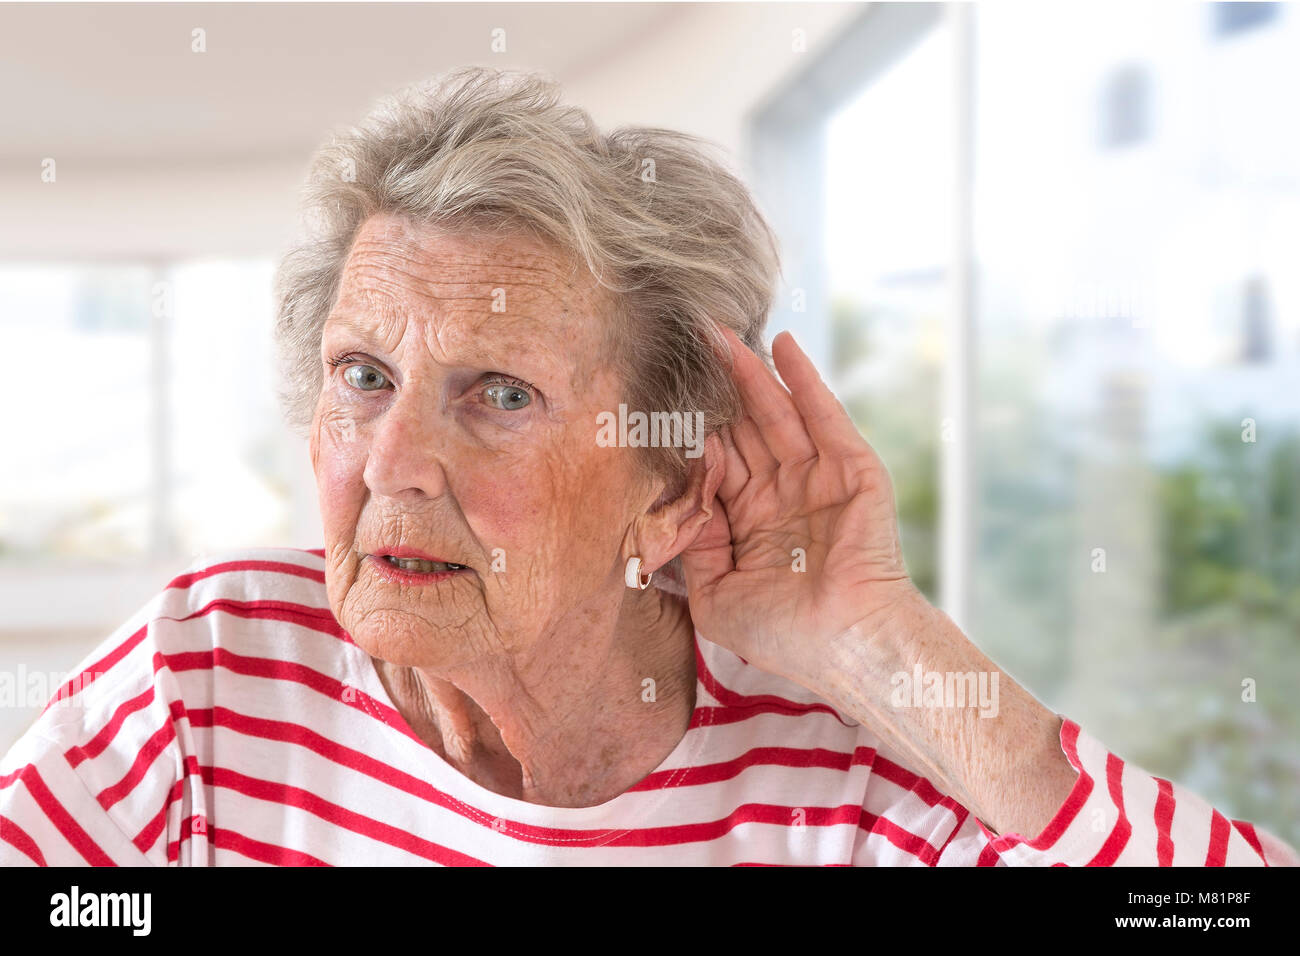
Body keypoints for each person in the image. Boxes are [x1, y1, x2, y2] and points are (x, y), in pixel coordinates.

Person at [1, 66, 1294, 866]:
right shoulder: (217, 670)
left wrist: (876, 642)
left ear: (670, 483)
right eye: (363, 378)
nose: (392, 461)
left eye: (498, 394)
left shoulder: (831, 784)